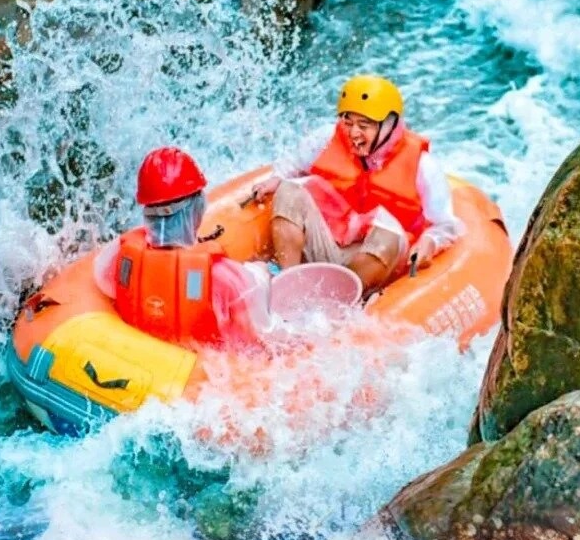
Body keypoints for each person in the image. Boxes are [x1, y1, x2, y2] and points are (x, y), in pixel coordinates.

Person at [252, 76, 464, 295]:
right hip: (331, 241)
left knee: (387, 234)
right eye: (348, 122)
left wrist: (431, 241)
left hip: (379, 259)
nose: (354, 133)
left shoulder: (423, 166)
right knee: (288, 190)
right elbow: (291, 163)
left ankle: (338, 299)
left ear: (389, 125)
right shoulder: (326, 138)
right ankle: (290, 283)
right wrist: (275, 179)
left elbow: (446, 225)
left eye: (364, 126)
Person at [96, 146, 270, 345]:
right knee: (262, 270)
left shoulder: (121, 255)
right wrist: (261, 274)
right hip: (204, 366)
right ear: (197, 208)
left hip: (143, 355)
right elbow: (256, 336)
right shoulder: (222, 276)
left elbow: (103, 281)